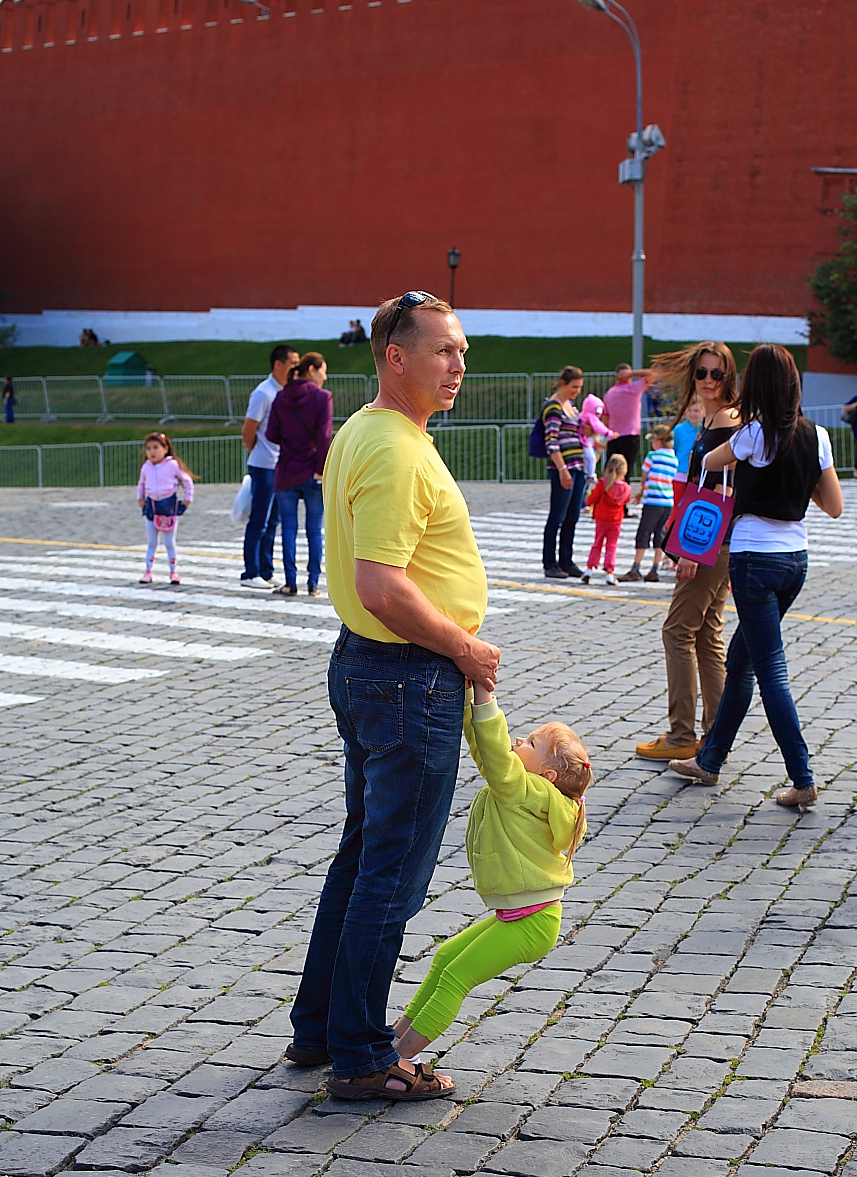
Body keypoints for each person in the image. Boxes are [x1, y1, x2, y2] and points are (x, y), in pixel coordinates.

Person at [287, 291, 500, 1102]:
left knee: (361, 857)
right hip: (408, 676)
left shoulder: (369, 432)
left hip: (374, 670)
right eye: (442, 351)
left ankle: (321, 1028)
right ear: (394, 356)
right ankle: (363, 1055)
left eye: (462, 351)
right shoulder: (397, 449)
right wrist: (465, 646)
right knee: (392, 874)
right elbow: (381, 584)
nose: (457, 367)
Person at [385, 681, 591, 1082]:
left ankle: (401, 1062)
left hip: (533, 923)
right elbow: (488, 755)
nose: (518, 739)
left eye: (530, 742)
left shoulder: (526, 790)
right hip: (525, 915)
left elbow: (497, 755)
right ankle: (394, 1041)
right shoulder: (524, 787)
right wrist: (463, 701)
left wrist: (484, 698)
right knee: (446, 958)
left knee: (458, 978)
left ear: (546, 773)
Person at [669, 344, 843, 811]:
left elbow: (708, 462)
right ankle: (710, 759)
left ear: (757, 386)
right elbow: (834, 505)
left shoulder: (750, 435)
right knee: (741, 659)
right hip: (795, 560)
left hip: (753, 560)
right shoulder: (817, 435)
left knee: (770, 671)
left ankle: (803, 778)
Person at [635, 343, 740, 762]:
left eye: (717, 373)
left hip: (711, 542)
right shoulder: (719, 418)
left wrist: (693, 550)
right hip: (720, 542)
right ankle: (714, 732)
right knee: (706, 634)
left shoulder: (726, 422)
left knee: (677, 631)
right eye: (702, 373)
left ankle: (682, 734)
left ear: (729, 376)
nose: (709, 380)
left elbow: (722, 490)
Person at [266, 352, 333, 598]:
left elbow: (271, 434)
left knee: (289, 529)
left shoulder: (281, 397)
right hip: (313, 470)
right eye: (324, 370)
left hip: (286, 470)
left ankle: (290, 582)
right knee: (314, 529)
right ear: (313, 369)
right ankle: (313, 583)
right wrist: (321, 469)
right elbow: (324, 437)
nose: (325, 376)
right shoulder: (322, 397)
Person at [240, 343, 299, 588]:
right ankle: (250, 572)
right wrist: (259, 452)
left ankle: (266, 569)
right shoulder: (264, 393)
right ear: (278, 364)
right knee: (259, 519)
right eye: (293, 363)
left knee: (273, 520)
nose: (297, 368)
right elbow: (248, 431)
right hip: (264, 465)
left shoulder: (288, 390)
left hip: (280, 465)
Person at [541, 366, 586, 579]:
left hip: (578, 466)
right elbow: (552, 441)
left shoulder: (572, 407)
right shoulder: (553, 407)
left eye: (579, 387)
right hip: (563, 468)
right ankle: (550, 562)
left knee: (573, 516)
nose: (577, 391)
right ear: (563, 384)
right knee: (557, 516)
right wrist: (562, 469)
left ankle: (566, 559)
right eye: (574, 387)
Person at [617, 424, 677, 582]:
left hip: (653, 500)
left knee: (644, 533)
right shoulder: (674, 459)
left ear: (659, 441)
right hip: (668, 501)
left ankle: (636, 567)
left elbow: (645, 477)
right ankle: (654, 568)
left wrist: (640, 492)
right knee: (660, 535)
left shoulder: (652, 456)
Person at [136, 431, 196, 584]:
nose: (152, 452)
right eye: (148, 448)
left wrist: (187, 499)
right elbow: (141, 483)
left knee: (169, 542)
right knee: (151, 542)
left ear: (165, 448)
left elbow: (187, 481)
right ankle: (148, 571)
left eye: (156, 447)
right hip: (152, 506)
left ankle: (173, 571)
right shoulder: (146, 467)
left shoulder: (173, 465)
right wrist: (140, 498)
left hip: (168, 506)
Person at [602, 362, 656, 509]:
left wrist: (606, 435)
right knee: (625, 472)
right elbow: (653, 374)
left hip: (613, 436)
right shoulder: (633, 389)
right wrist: (633, 374)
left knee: (611, 471)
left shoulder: (609, 393)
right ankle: (622, 506)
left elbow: (605, 418)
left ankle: (606, 502)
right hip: (630, 436)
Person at [581, 453, 631, 585]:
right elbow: (626, 500)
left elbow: (590, 500)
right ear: (624, 470)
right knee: (611, 546)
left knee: (597, 543)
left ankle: (589, 569)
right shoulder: (626, 488)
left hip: (601, 518)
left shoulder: (603, 484)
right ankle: (609, 572)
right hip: (616, 520)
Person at [578, 392, 613, 486]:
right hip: (586, 444)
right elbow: (598, 428)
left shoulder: (583, 416)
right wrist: (609, 433)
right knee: (590, 459)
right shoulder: (591, 418)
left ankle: (589, 475)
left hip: (589, 445)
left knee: (590, 460)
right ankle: (590, 475)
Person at [672, 399, 703, 484]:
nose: (692, 414)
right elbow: (672, 450)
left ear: (703, 411)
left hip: (699, 473)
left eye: (696, 411)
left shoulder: (705, 429)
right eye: (689, 410)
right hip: (680, 473)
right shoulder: (678, 430)